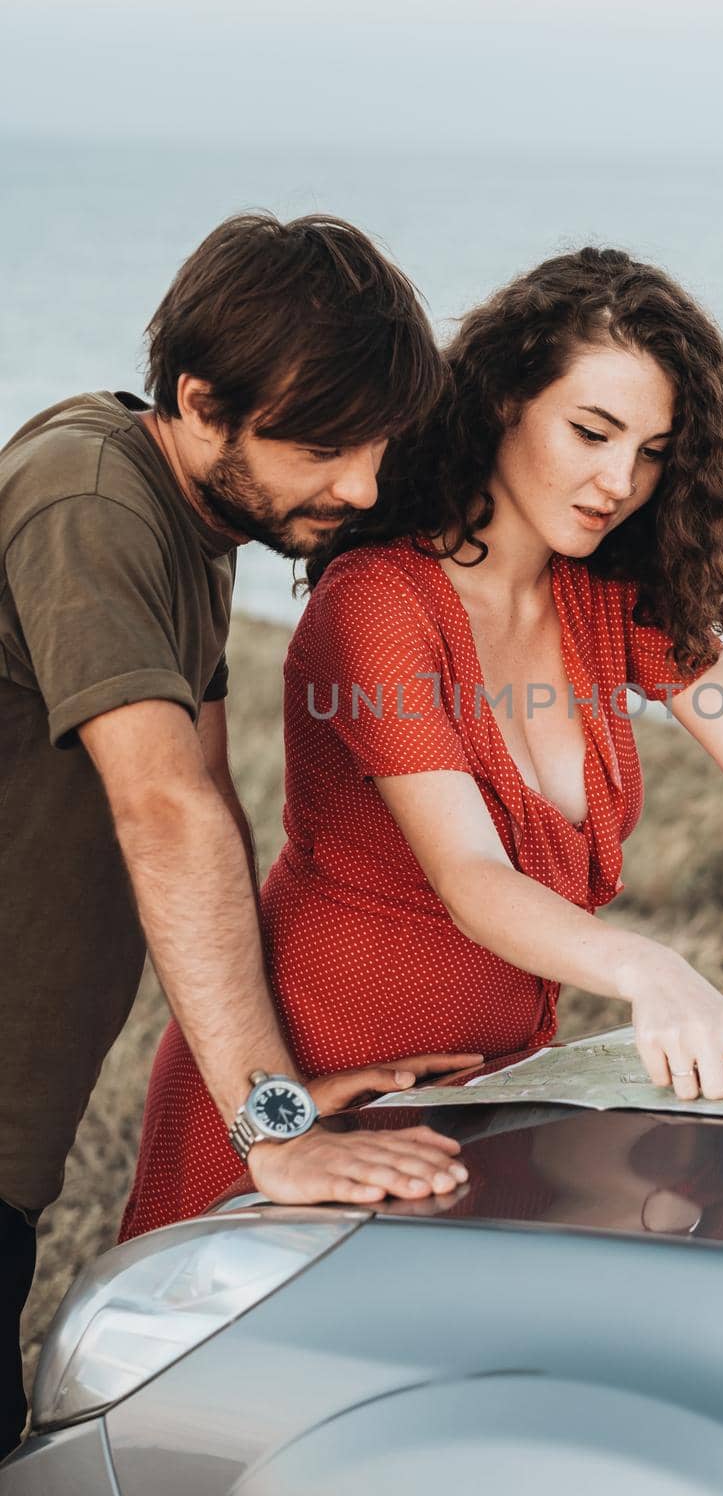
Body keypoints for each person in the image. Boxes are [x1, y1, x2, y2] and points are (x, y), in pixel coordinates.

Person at [122, 246, 723, 1239]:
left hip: (484, 1097)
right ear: (498, 404)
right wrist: (646, 968)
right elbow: (469, 872)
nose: (618, 478)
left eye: (651, 450)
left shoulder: (607, 595)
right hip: (312, 1083)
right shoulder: (378, 607)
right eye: (590, 430)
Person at [0, 212, 480, 1457]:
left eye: (377, 445)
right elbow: (163, 806)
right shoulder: (89, 491)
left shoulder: (193, 528)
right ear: (200, 402)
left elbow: (210, 803)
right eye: (323, 445)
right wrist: (274, 1130)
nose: (363, 487)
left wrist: (276, 1082)